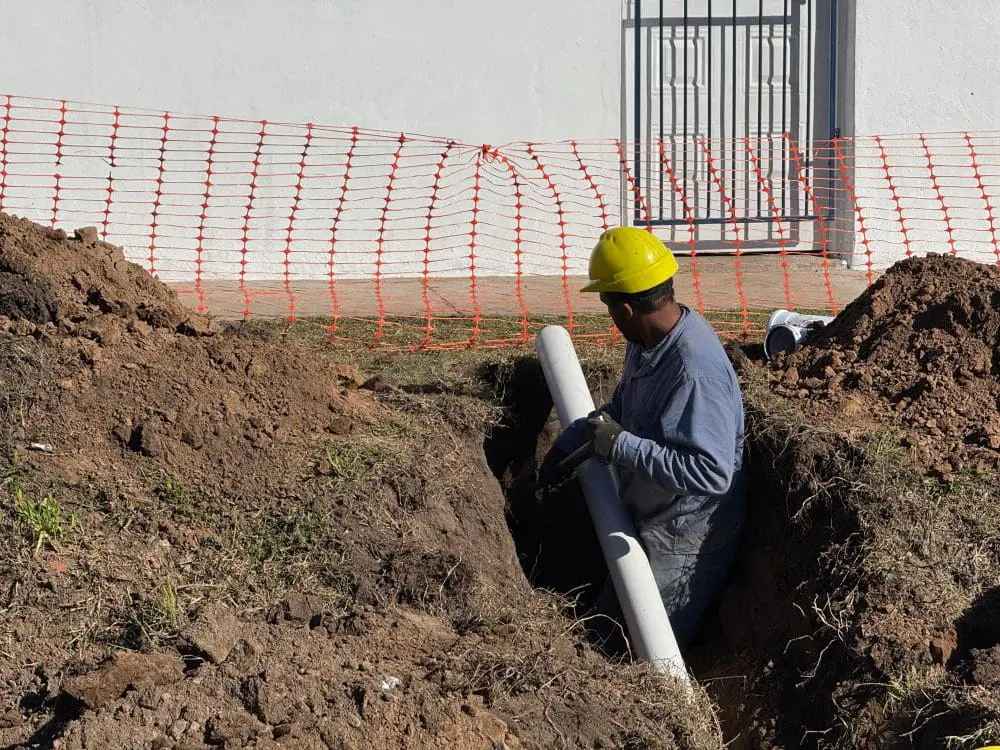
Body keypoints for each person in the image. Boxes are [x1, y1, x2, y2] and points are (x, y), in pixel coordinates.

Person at [537, 226, 746, 652]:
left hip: (683, 540)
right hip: (653, 515)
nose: (610, 318)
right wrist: (573, 441)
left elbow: (713, 472)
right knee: (602, 633)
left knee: (637, 654)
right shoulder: (651, 341)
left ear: (627, 310)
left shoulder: (694, 373)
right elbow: (625, 407)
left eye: (608, 306)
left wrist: (619, 446)